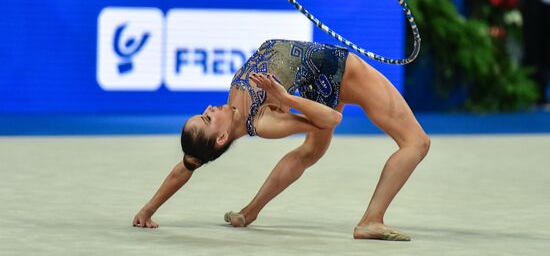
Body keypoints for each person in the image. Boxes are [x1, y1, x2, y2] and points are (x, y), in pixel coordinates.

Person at [132, 39, 430, 241]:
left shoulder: (234, 104)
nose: (209, 109)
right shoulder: (263, 122)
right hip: (342, 72)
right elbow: (331, 119)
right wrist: (286, 99)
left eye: (202, 113)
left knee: (311, 150)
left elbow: (188, 163)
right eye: (208, 119)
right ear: (222, 137)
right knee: (417, 142)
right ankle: (371, 221)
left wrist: (148, 209)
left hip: (318, 78)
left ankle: (248, 213)